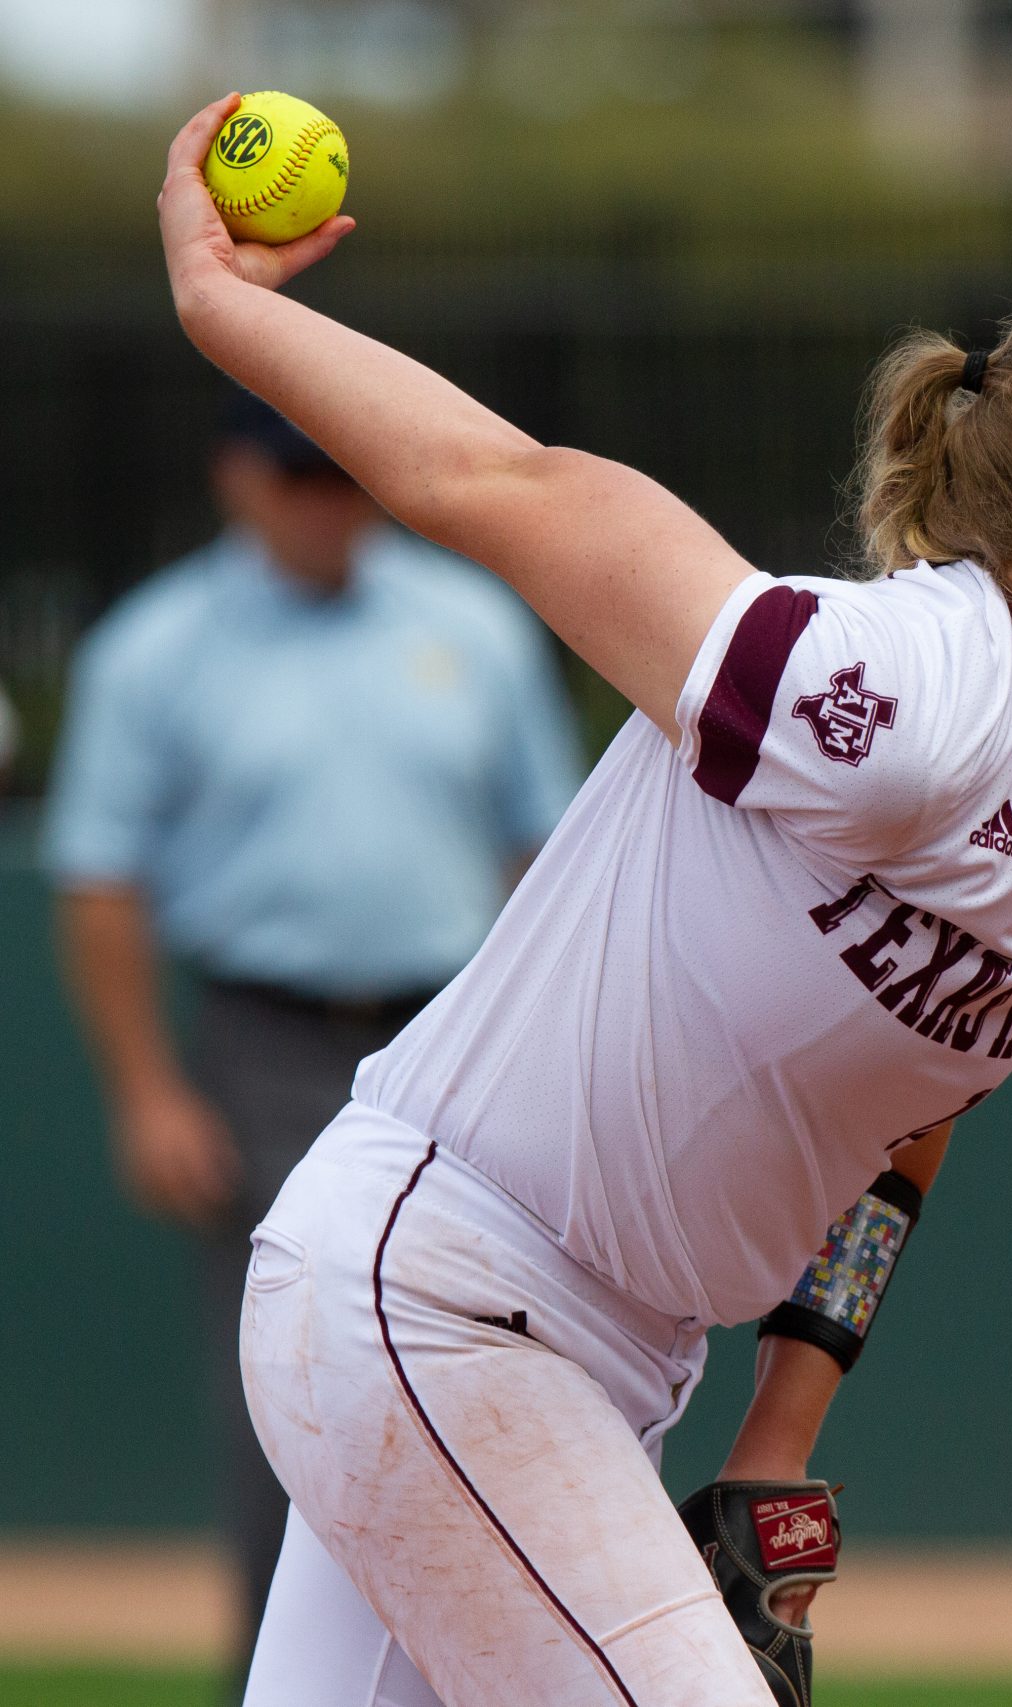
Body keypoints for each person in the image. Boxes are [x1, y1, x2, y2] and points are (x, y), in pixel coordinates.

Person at [156, 94, 1012, 1707]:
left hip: (598, 1357)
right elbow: (512, 482)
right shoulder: (906, 687)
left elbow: (908, 1112)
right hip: (433, 1291)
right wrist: (224, 310)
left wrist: (778, 1439)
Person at [42, 390, 581, 1683]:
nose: (326, 503)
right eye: (297, 478)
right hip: (267, 1042)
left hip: (454, 1038)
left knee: (493, 1381)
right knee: (292, 1407)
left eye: (342, 476)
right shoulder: (157, 648)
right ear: (239, 479)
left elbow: (548, 851)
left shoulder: (471, 624)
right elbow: (99, 877)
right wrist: (146, 1088)